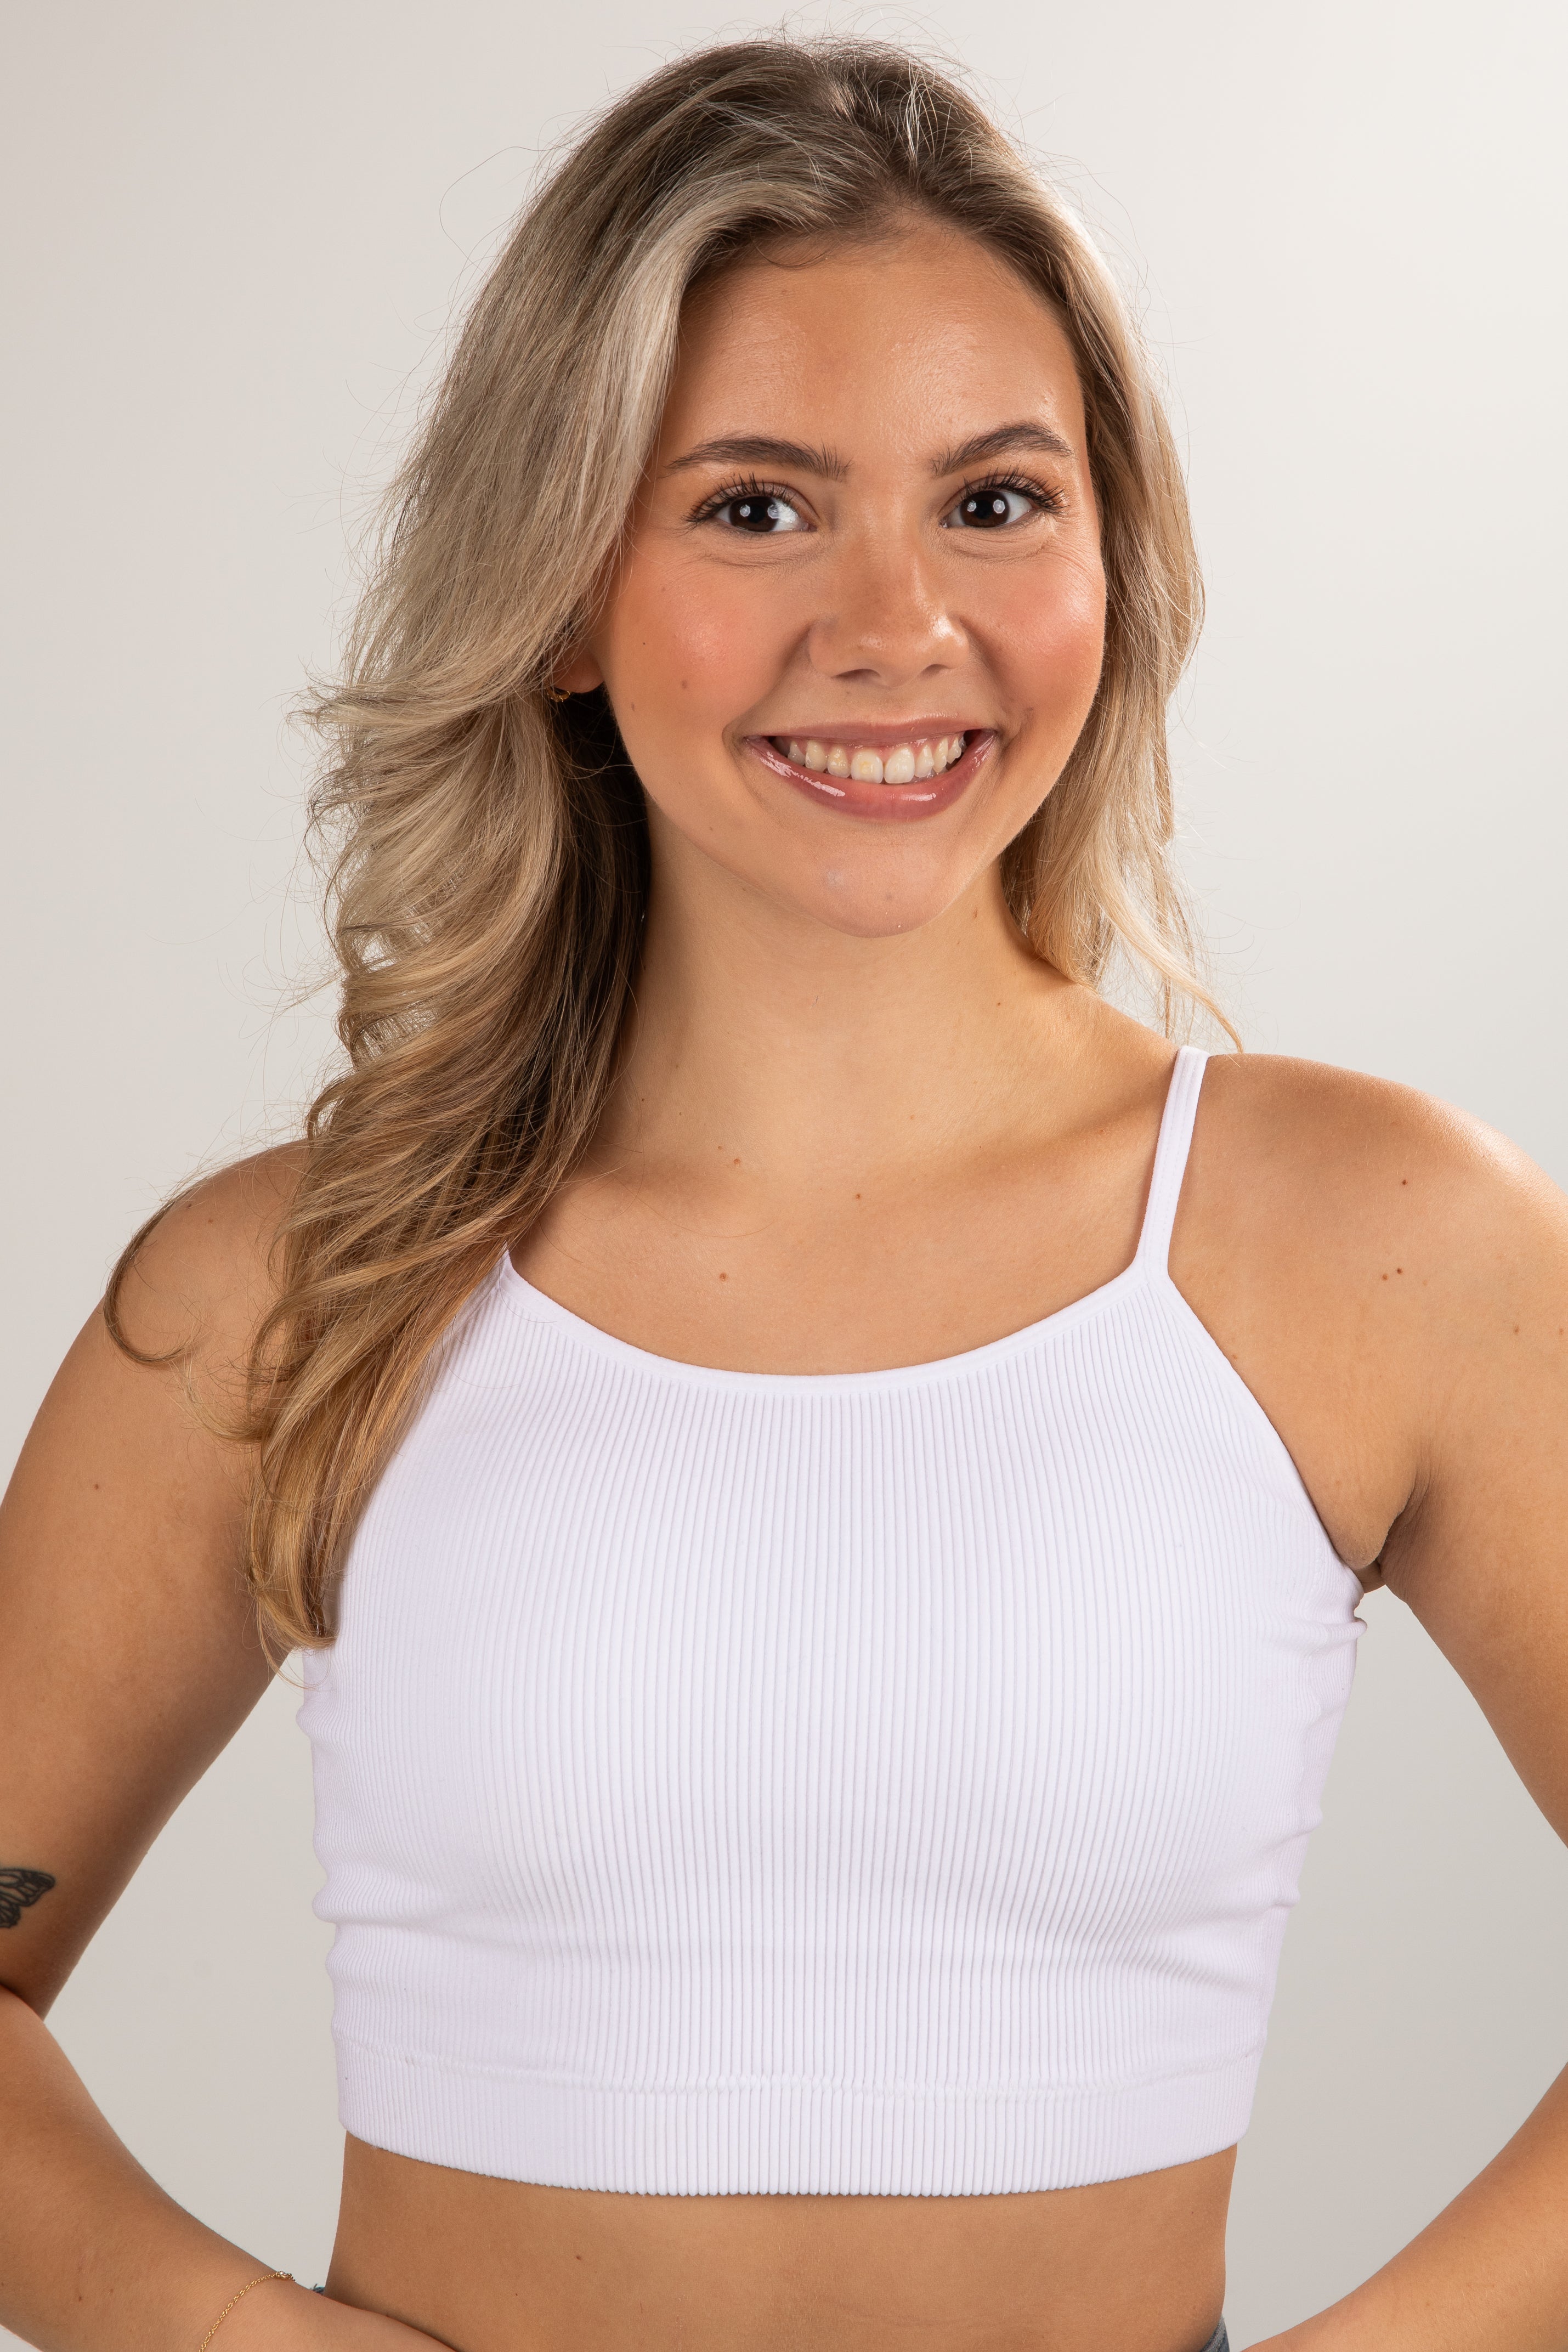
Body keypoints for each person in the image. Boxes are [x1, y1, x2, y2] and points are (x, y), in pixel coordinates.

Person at [1, 33, 1564, 2352]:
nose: (896, 624)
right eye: (753, 505)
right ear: (557, 587)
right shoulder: (289, 1290)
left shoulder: (1361, 1242)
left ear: (1109, 560)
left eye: (995, 501)